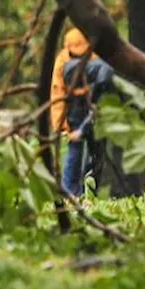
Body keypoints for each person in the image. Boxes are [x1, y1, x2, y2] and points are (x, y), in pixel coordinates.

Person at [61, 52, 116, 198]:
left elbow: (98, 109)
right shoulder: (95, 74)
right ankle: (87, 192)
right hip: (101, 123)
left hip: (116, 123)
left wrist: (81, 131)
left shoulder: (104, 77)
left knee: (102, 158)